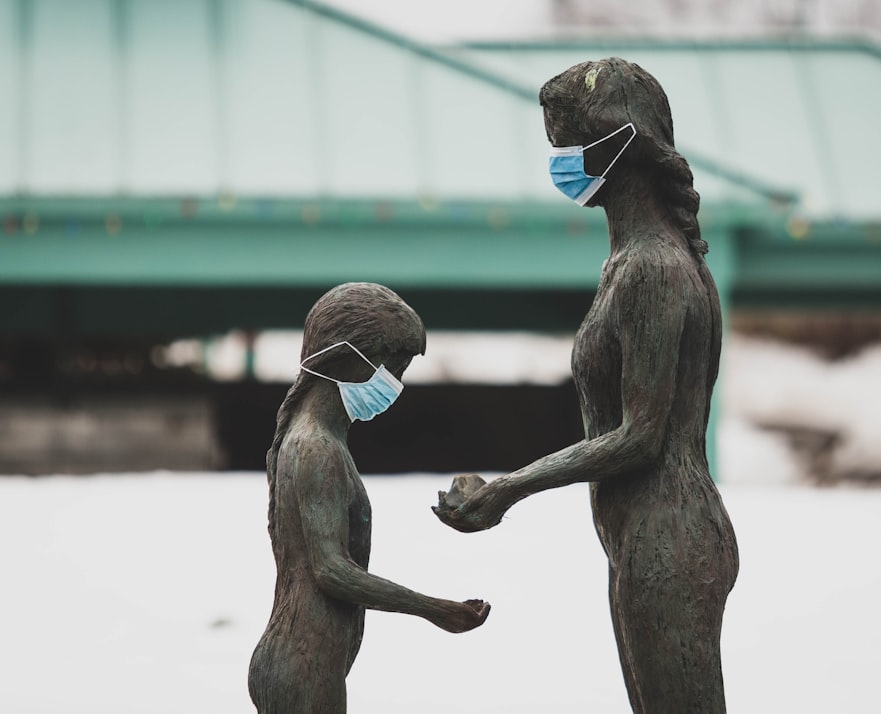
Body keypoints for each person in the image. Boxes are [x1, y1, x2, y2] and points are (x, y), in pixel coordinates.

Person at [434, 58, 739, 713]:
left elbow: (641, 437)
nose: (560, 162)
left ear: (620, 143)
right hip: (641, 536)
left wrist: (509, 488)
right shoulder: (629, 264)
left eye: (566, 145)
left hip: (670, 538)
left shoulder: (653, 270)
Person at [249, 282, 490, 714]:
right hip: (303, 661)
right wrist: (434, 609)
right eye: (394, 365)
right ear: (344, 359)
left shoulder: (321, 443)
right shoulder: (316, 447)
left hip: (309, 657)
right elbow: (331, 571)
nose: (396, 383)